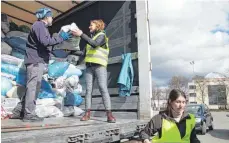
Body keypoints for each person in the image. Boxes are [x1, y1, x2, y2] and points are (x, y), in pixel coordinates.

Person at [11, 8, 71, 122]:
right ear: (46, 17)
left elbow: (45, 43)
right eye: (51, 17)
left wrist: (58, 38)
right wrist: (60, 37)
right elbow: (45, 42)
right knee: (33, 88)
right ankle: (29, 115)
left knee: (32, 88)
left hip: (36, 61)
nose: (52, 19)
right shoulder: (39, 26)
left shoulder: (40, 27)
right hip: (35, 62)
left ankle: (19, 111)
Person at [72, 19, 116, 123]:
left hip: (100, 66)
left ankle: (109, 115)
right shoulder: (90, 40)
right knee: (88, 90)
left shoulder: (102, 36)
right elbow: (83, 54)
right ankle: (87, 114)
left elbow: (95, 44)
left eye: (91, 25)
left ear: (98, 26)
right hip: (89, 67)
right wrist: (70, 50)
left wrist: (81, 34)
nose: (89, 27)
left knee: (102, 88)